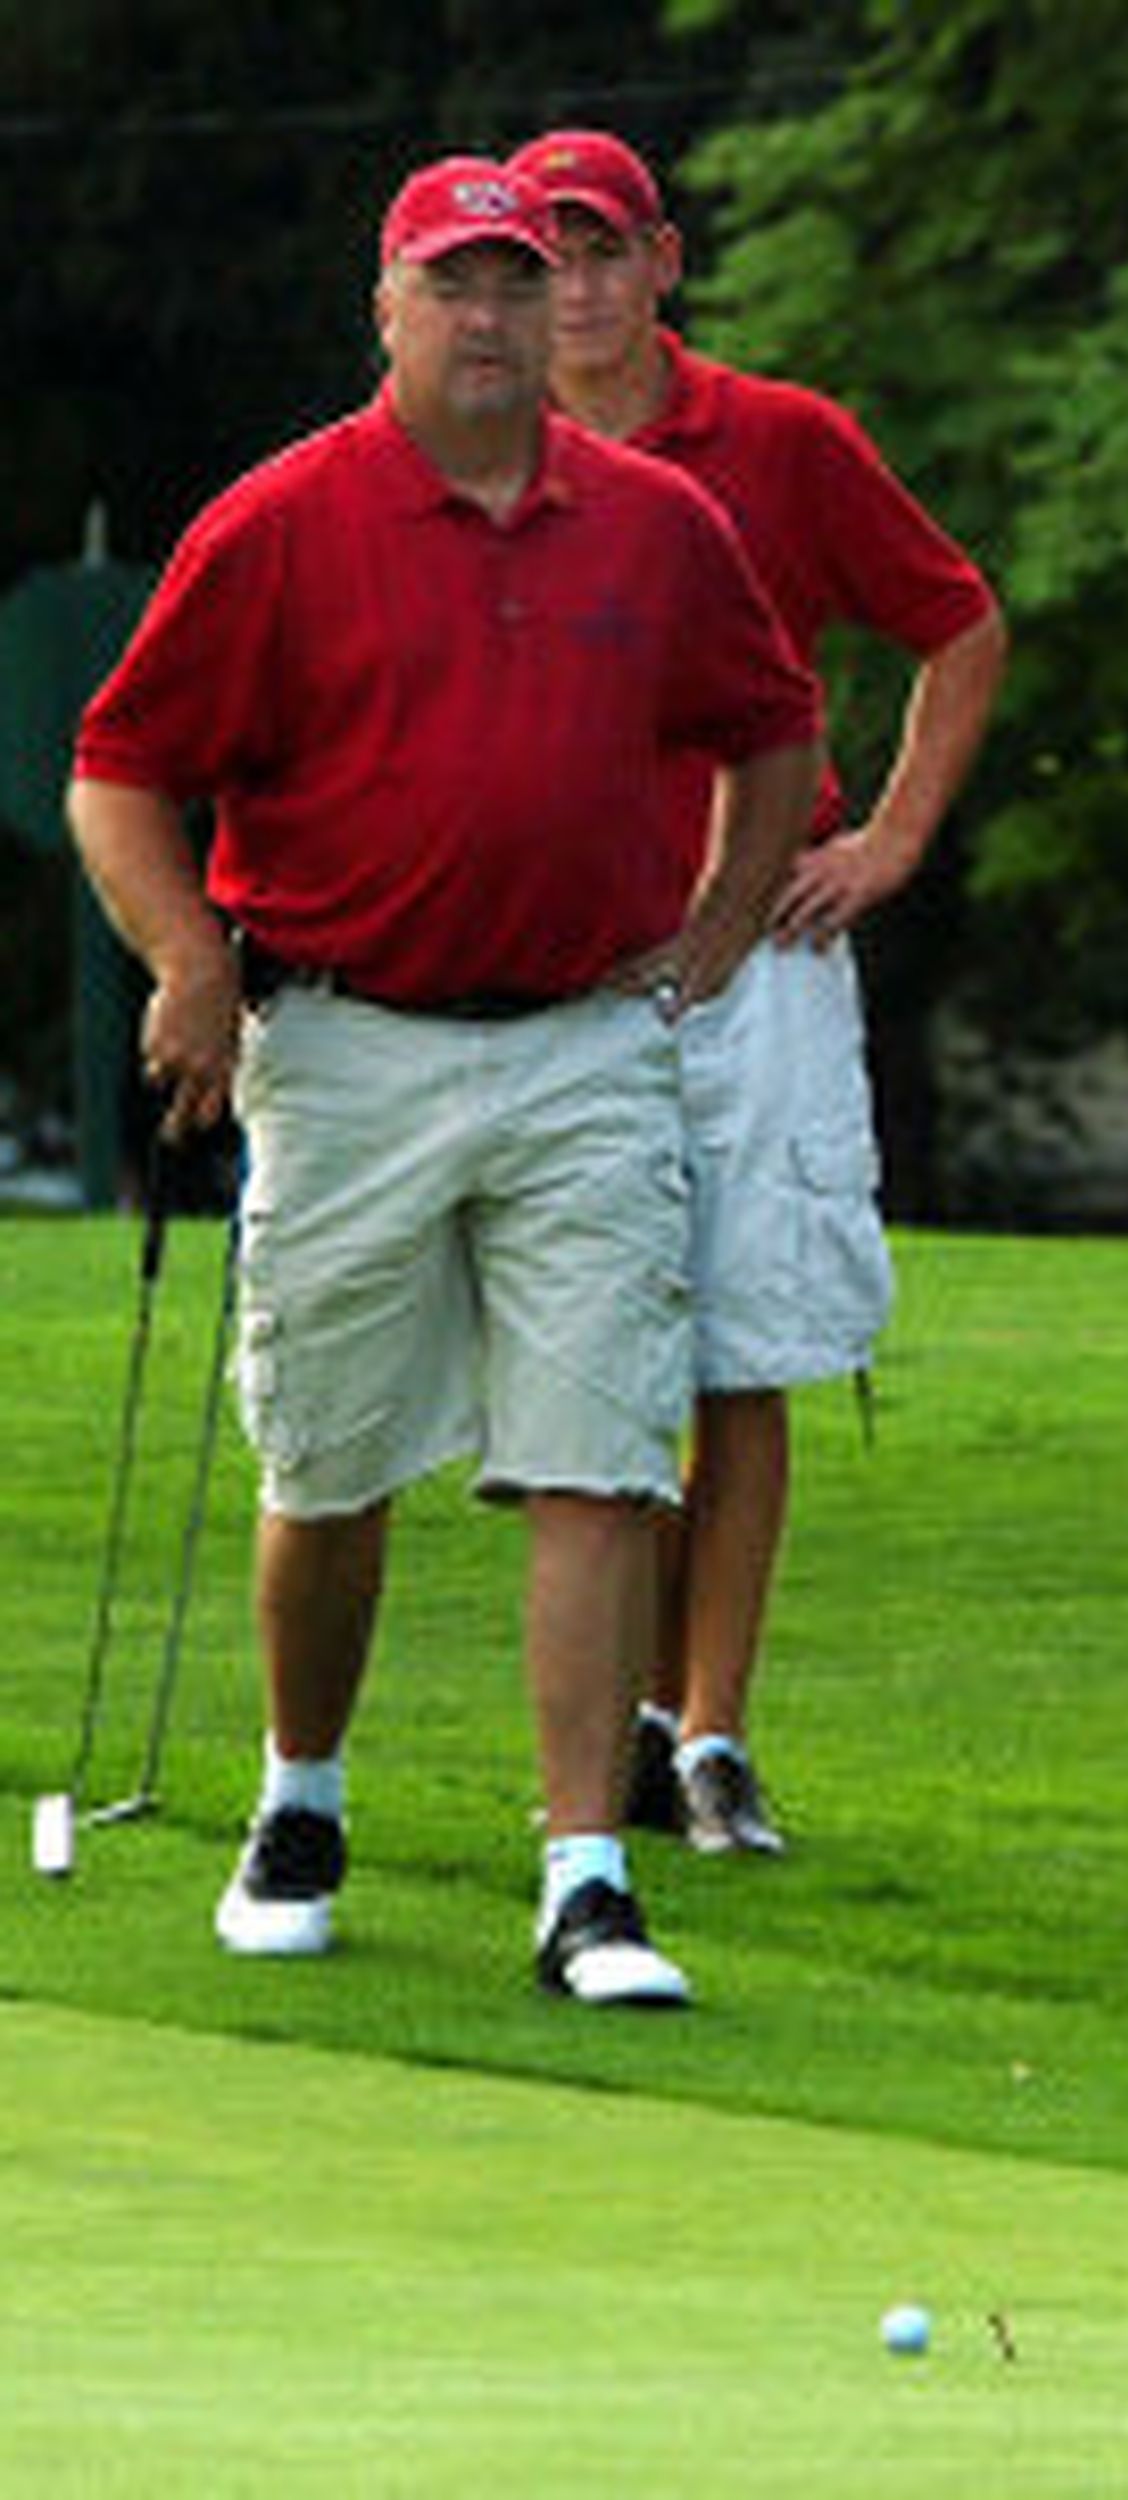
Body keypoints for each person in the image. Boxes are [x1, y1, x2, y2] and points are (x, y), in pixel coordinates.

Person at [66, 157, 824, 2006]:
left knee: (596, 1460)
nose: (495, 314)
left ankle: (584, 1879)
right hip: (342, 1041)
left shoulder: (650, 523)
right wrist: (187, 962)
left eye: (523, 280)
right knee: (328, 1462)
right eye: (455, 284)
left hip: (585, 1048)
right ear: (387, 310)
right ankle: (299, 1797)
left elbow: (776, 723)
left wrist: (723, 925)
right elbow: (122, 767)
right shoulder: (280, 522)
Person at [508, 129, 1007, 1857]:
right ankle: (619, 1734)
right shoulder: (473, 453)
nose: (568, 285)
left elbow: (956, 622)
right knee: (592, 1359)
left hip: (761, 954)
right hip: (557, 956)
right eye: (536, 254)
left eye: (598, 249)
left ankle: (707, 1734)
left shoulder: (781, 440)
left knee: (747, 1349)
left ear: (662, 263)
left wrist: (889, 843)